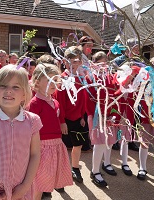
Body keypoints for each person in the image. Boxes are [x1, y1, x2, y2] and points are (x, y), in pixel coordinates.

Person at [0, 64, 42, 200]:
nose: (8, 91)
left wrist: (24, 187)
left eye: (15, 87)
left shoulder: (32, 121)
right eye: (3, 86)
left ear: (24, 94)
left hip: (22, 189)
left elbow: (35, 154)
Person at [29, 63, 73, 199]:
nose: (54, 83)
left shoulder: (55, 102)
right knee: (38, 183)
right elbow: (30, 129)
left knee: (48, 179)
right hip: (42, 148)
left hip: (55, 145)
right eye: (49, 80)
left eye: (56, 80)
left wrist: (62, 123)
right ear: (37, 82)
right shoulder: (35, 103)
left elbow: (57, 116)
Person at [55, 46, 88, 183]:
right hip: (64, 119)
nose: (74, 64)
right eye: (71, 61)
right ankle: (58, 173)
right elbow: (59, 102)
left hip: (77, 118)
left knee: (78, 145)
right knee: (60, 148)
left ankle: (75, 168)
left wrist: (81, 116)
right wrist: (62, 121)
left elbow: (82, 99)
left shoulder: (82, 78)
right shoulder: (62, 79)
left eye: (77, 61)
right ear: (65, 61)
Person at [86, 51, 118, 187]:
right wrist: (95, 115)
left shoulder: (110, 77)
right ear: (94, 64)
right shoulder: (90, 78)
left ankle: (106, 163)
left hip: (109, 114)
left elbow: (115, 95)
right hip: (97, 116)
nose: (103, 65)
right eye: (100, 63)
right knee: (99, 143)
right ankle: (95, 171)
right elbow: (88, 98)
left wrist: (113, 112)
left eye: (105, 62)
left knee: (108, 141)